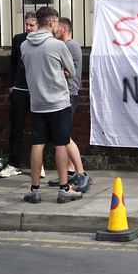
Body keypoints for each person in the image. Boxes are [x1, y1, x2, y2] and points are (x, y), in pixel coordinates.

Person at [21, 6, 82, 204]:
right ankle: (64, 189)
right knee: (61, 143)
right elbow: (71, 70)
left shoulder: (25, 46)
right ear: (52, 22)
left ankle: (34, 189)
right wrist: (60, 70)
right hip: (58, 101)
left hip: (37, 102)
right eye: (56, 22)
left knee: (37, 143)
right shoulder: (58, 46)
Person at [0, 12, 46, 179]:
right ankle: (13, 164)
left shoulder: (46, 41)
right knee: (16, 128)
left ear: (39, 25)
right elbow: (13, 62)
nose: (28, 28)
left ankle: (39, 165)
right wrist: (11, 85)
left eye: (32, 25)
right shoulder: (19, 39)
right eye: (27, 24)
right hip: (19, 89)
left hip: (37, 90)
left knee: (38, 129)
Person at [47, 17, 93, 192]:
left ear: (64, 28)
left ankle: (76, 172)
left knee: (63, 133)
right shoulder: (67, 46)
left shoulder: (69, 46)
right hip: (65, 93)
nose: (54, 30)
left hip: (69, 93)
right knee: (63, 134)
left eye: (56, 27)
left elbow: (65, 71)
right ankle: (69, 172)